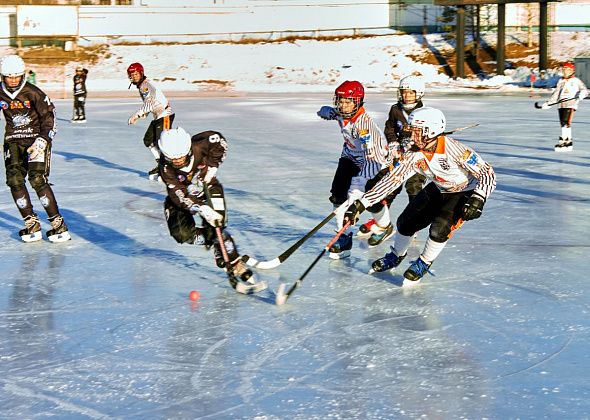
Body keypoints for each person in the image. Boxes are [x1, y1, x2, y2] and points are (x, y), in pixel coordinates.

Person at [339, 107, 496, 286]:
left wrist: (478, 199)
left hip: (465, 191)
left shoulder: (454, 149)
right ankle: (396, 255)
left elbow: (487, 173)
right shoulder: (413, 154)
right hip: (439, 188)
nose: (411, 135)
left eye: (416, 131)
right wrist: (361, 203)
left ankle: (424, 262)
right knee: (405, 222)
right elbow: (392, 180)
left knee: (439, 228)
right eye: (411, 130)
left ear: (431, 131)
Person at [157, 127, 265, 292]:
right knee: (181, 234)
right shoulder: (165, 168)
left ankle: (234, 261)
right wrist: (201, 208)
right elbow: (179, 194)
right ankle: (214, 241)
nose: (178, 161)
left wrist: (212, 167)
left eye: (181, 156)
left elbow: (220, 141)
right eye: (173, 158)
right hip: (181, 199)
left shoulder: (200, 144)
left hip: (209, 187)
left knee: (218, 225)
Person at [317, 80, 395, 258]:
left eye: (347, 101)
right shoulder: (342, 112)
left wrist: (358, 185)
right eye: (340, 101)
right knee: (338, 194)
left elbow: (373, 160)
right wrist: (326, 111)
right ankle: (344, 238)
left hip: (375, 162)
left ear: (357, 102)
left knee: (369, 200)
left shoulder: (364, 126)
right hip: (351, 157)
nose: (342, 106)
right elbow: (332, 113)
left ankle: (384, 226)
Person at [0, 54, 71, 243]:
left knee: (37, 178)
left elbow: (50, 116)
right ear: (2, 76)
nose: (13, 80)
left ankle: (58, 224)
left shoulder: (33, 92)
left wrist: (43, 140)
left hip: (36, 140)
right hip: (13, 141)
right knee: (14, 180)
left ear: (22, 75)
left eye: (16, 76)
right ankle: (31, 224)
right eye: (9, 76)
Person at [358, 75, 428, 240]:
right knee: (389, 186)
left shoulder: (424, 113)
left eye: (410, 93)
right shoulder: (395, 109)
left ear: (419, 94)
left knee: (414, 188)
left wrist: (417, 143)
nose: (406, 96)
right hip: (398, 155)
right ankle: (381, 220)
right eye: (404, 92)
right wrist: (394, 143)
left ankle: (413, 223)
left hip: (417, 158)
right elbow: (390, 128)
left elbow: (428, 135)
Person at [127, 62, 175, 180]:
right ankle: (161, 165)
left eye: (136, 74)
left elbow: (150, 102)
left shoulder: (146, 85)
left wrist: (136, 115)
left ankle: (169, 168)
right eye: (131, 75)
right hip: (158, 116)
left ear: (141, 73)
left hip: (165, 115)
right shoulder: (142, 86)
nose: (134, 77)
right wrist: (146, 113)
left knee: (162, 143)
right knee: (148, 140)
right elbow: (151, 102)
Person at [540, 61, 587, 152]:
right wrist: (549, 103)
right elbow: (556, 94)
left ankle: (567, 141)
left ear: (572, 71)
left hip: (571, 103)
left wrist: (582, 94)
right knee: (562, 123)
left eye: (568, 70)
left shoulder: (576, 81)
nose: (565, 72)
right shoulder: (561, 81)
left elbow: (584, 90)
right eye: (564, 70)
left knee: (566, 122)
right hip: (561, 104)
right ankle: (563, 140)